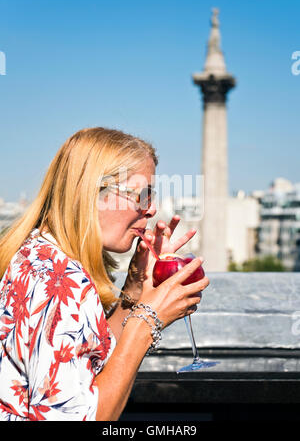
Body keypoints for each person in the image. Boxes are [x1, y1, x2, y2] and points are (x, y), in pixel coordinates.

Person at [0, 127, 209, 421]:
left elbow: (86, 362)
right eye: (142, 196)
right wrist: (147, 320)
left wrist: (134, 291)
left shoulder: (42, 257)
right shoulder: (58, 281)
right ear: (91, 194)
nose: (151, 210)